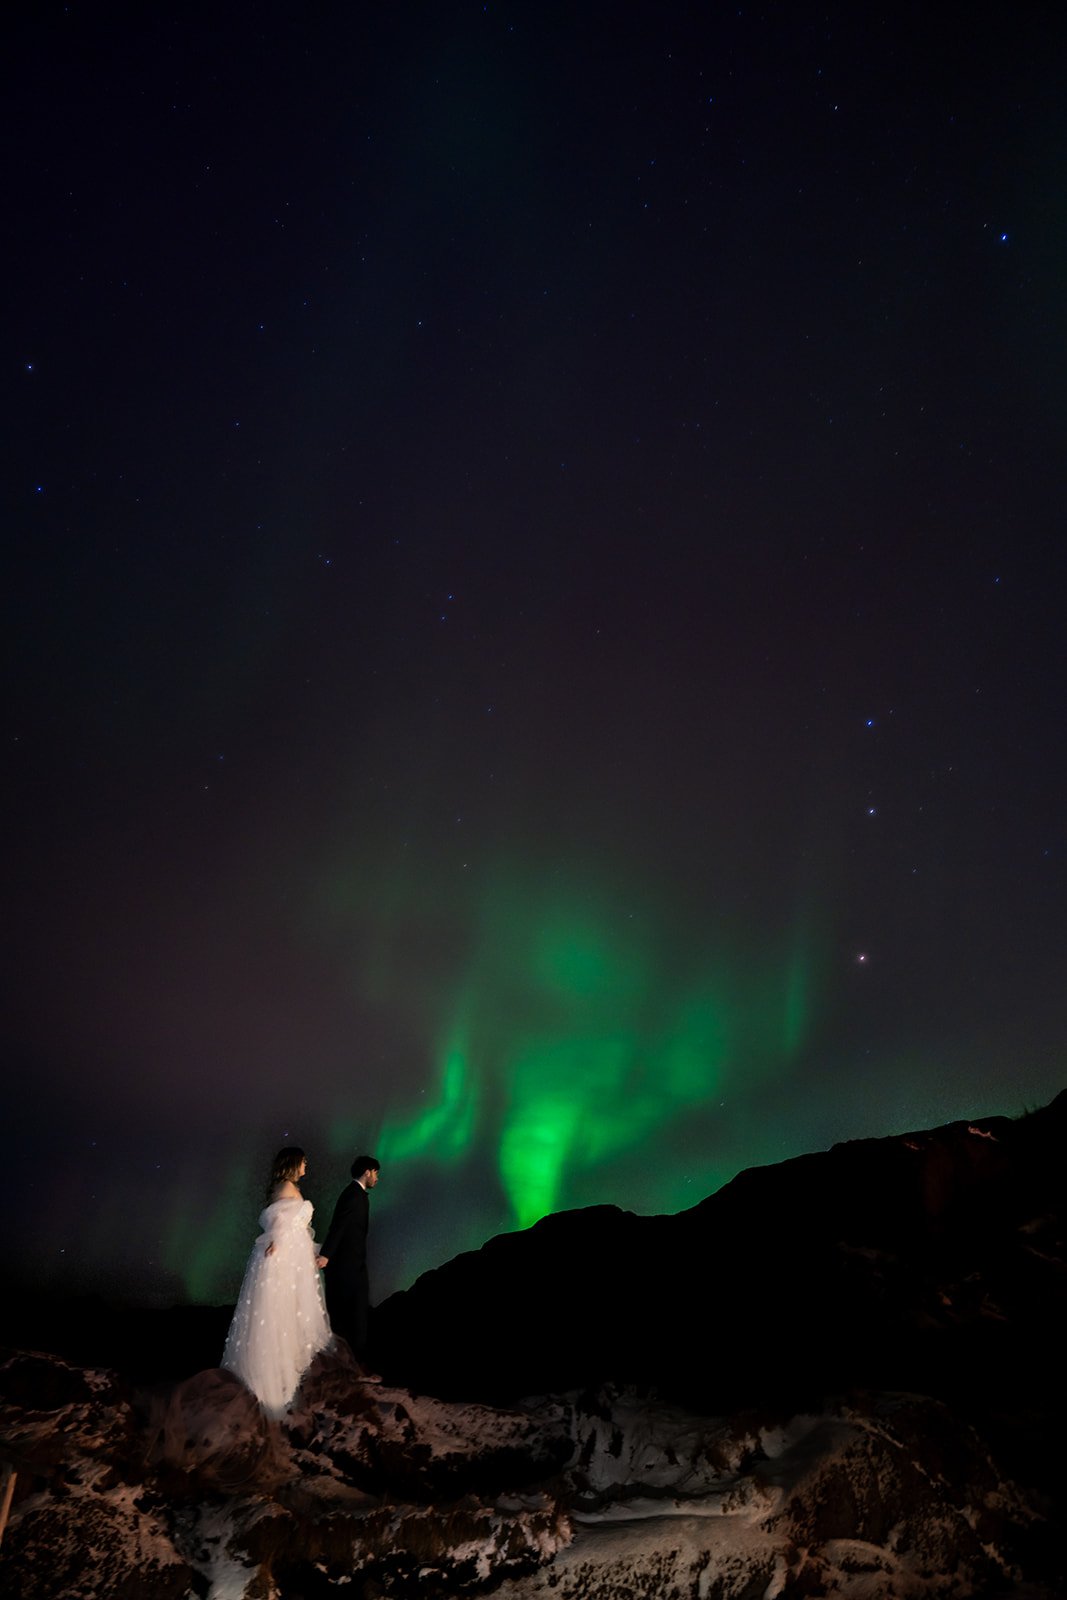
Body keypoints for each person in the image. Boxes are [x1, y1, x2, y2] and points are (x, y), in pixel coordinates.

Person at [221, 1146, 333, 1419]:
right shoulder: (285, 1188)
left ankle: (286, 1385)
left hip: (294, 1262)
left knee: (289, 1319)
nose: (307, 1166)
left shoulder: (289, 1187)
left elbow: (295, 1227)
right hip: (284, 1264)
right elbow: (279, 1223)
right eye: (304, 1162)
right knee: (279, 1320)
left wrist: (312, 1253)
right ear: (293, 1164)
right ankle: (273, 1391)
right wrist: (276, 1244)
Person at [317, 1154, 380, 1361]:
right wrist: (326, 1255)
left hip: (354, 1266)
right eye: (376, 1173)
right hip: (346, 1267)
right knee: (349, 1314)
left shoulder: (356, 1194)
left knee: (357, 1313)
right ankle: (350, 1363)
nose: (377, 1178)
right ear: (367, 1172)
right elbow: (339, 1225)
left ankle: (354, 1360)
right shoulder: (353, 1195)